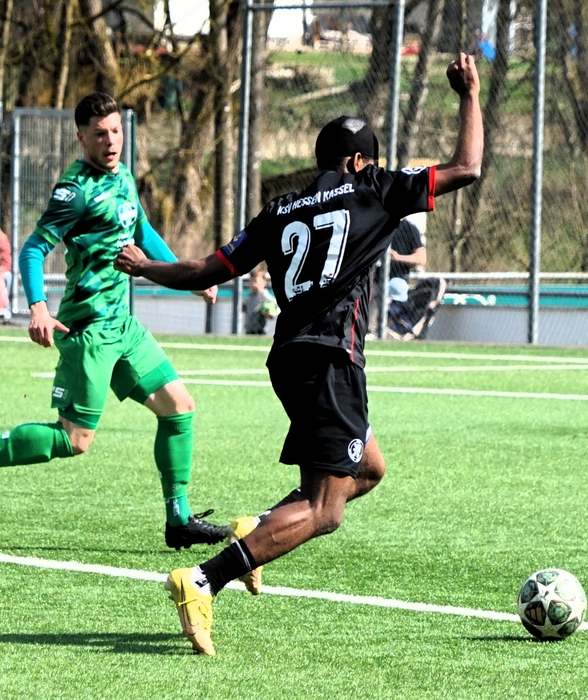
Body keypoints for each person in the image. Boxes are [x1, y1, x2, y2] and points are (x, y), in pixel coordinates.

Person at [115, 54, 483, 655]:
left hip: (289, 355)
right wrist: (469, 94)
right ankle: (203, 579)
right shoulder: (376, 188)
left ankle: (258, 529)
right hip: (331, 358)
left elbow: (205, 269)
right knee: (325, 508)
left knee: (369, 468)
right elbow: (467, 166)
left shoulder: (279, 209)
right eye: (371, 161)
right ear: (359, 162)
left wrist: (144, 266)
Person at [0, 92, 228, 551]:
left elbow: (142, 232)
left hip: (123, 326)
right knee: (74, 440)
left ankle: (179, 519)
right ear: (81, 138)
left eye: (116, 132)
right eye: (100, 134)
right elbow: (33, 249)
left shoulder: (124, 175)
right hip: (88, 330)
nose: (111, 141)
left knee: (179, 408)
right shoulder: (75, 191)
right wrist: (38, 306)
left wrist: (188, 276)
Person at [244, 265, 278, 335]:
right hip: (249, 330)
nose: (253, 284)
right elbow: (245, 306)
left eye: (255, 281)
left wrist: (272, 314)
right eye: (251, 281)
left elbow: (277, 306)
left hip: (260, 331)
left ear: (264, 282)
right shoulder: (250, 295)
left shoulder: (265, 296)